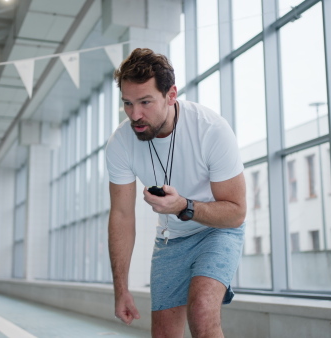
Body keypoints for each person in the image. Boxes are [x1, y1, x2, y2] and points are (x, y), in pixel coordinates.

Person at [106, 47, 246, 338]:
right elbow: (121, 215)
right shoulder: (121, 143)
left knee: (202, 311)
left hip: (217, 231)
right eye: (128, 104)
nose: (135, 114)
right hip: (171, 241)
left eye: (145, 102)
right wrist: (121, 290)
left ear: (171, 95)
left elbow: (236, 212)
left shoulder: (210, 130)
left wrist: (185, 205)